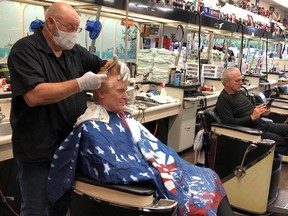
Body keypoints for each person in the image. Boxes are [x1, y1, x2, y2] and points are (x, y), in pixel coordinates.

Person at [47, 62, 234, 216]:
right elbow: (111, 168)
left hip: (165, 168)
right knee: (200, 195)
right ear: (101, 93)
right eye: (120, 91)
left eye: (126, 90)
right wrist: (155, 171)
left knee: (210, 175)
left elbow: (152, 148)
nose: (126, 96)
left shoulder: (122, 118)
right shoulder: (90, 127)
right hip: (141, 182)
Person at [7, 2, 130, 216]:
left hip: (69, 149)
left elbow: (103, 65)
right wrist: (80, 84)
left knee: (60, 207)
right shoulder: (25, 50)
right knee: (37, 209)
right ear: (51, 23)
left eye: (77, 29)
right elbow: (34, 95)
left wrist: (118, 66)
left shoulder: (74, 52)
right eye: (70, 28)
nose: (74, 34)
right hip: (38, 152)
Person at [216, 67, 288, 155]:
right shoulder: (223, 99)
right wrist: (251, 117)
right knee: (283, 142)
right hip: (253, 131)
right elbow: (228, 122)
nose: (241, 83)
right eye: (237, 81)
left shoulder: (239, 92)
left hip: (263, 124)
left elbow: (250, 110)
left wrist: (262, 113)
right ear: (227, 82)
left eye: (241, 80)